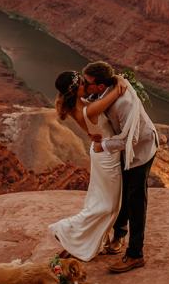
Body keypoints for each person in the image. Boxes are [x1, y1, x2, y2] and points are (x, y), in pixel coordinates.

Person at [81, 61, 158, 274]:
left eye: (87, 82)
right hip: (124, 151)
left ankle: (135, 254)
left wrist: (103, 145)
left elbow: (131, 139)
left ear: (99, 85)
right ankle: (119, 236)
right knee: (121, 193)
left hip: (140, 151)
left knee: (135, 201)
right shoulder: (107, 91)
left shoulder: (124, 103)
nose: (83, 85)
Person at [48, 69, 128, 262]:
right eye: (83, 83)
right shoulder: (89, 109)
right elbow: (118, 90)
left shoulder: (80, 104)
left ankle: (91, 240)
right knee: (108, 205)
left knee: (101, 201)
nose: (88, 85)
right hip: (107, 157)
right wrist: (117, 78)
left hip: (102, 151)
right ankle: (65, 228)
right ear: (76, 90)